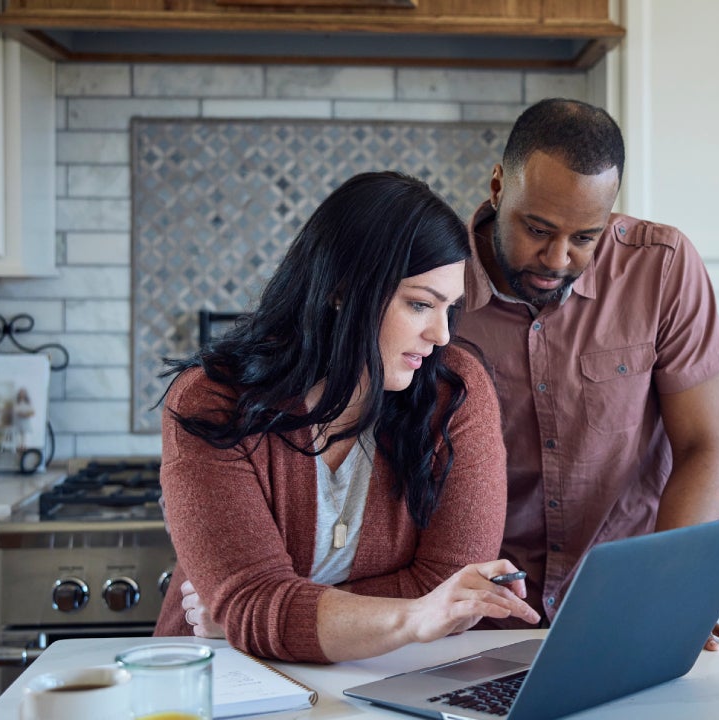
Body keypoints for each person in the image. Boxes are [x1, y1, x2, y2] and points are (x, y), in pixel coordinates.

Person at [154, 171, 539, 663]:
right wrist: (257, 609)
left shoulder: (455, 392)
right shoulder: (211, 402)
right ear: (340, 288)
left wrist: (269, 612)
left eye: (450, 308)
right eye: (420, 304)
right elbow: (255, 603)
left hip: (388, 677)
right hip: (222, 680)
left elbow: (451, 590)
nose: (442, 334)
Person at [459, 99, 719, 648]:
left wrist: (671, 590)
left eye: (585, 237)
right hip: (475, 620)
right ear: (497, 187)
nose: (558, 258)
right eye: (537, 229)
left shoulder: (663, 266)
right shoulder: (436, 284)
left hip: (622, 610)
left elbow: (704, 446)